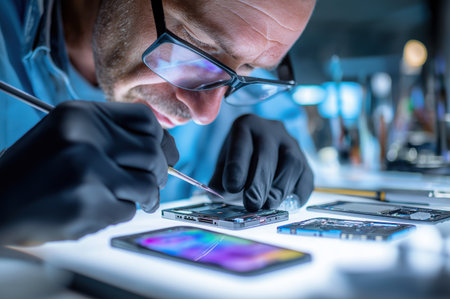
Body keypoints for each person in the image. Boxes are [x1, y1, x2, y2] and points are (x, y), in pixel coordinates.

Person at [0, 0, 315, 245]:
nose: (206, 114)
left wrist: (284, 175)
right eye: (196, 45)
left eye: (247, 68)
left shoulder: (257, 86)